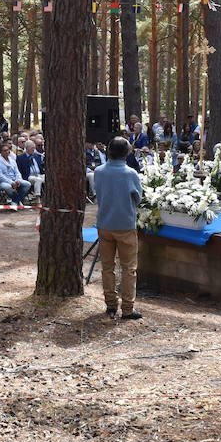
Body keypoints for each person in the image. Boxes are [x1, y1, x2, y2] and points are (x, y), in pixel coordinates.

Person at [92, 136, 144, 320]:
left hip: (104, 224)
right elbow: (138, 198)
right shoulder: (131, 174)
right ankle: (128, 308)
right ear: (127, 153)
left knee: (107, 267)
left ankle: (111, 305)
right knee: (129, 268)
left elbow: (96, 192)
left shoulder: (98, 171)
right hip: (125, 225)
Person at [0, 143, 29, 207]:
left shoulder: (12, 161)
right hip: (3, 182)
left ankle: (16, 200)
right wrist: (11, 182)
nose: (7, 152)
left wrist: (18, 180)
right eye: (5, 151)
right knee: (8, 187)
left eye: (8, 150)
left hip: (15, 180)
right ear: (0, 152)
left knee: (27, 184)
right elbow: (0, 176)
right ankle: (17, 200)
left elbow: (17, 172)